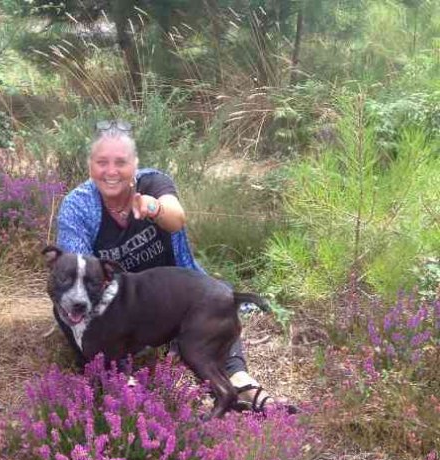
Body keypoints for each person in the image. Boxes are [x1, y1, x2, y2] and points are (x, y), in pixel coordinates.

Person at [54, 119, 294, 413]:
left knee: (214, 300)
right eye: (102, 162)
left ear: (135, 164)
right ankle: (122, 385)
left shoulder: (153, 182)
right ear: (90, 165)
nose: (111, 171)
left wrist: (152, 207)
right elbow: (79, 271)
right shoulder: (78, 206)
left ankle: (240, 383)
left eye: (121, 161)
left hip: (170, 298)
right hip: (116, 307)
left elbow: (176, 217)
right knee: (70, 310)